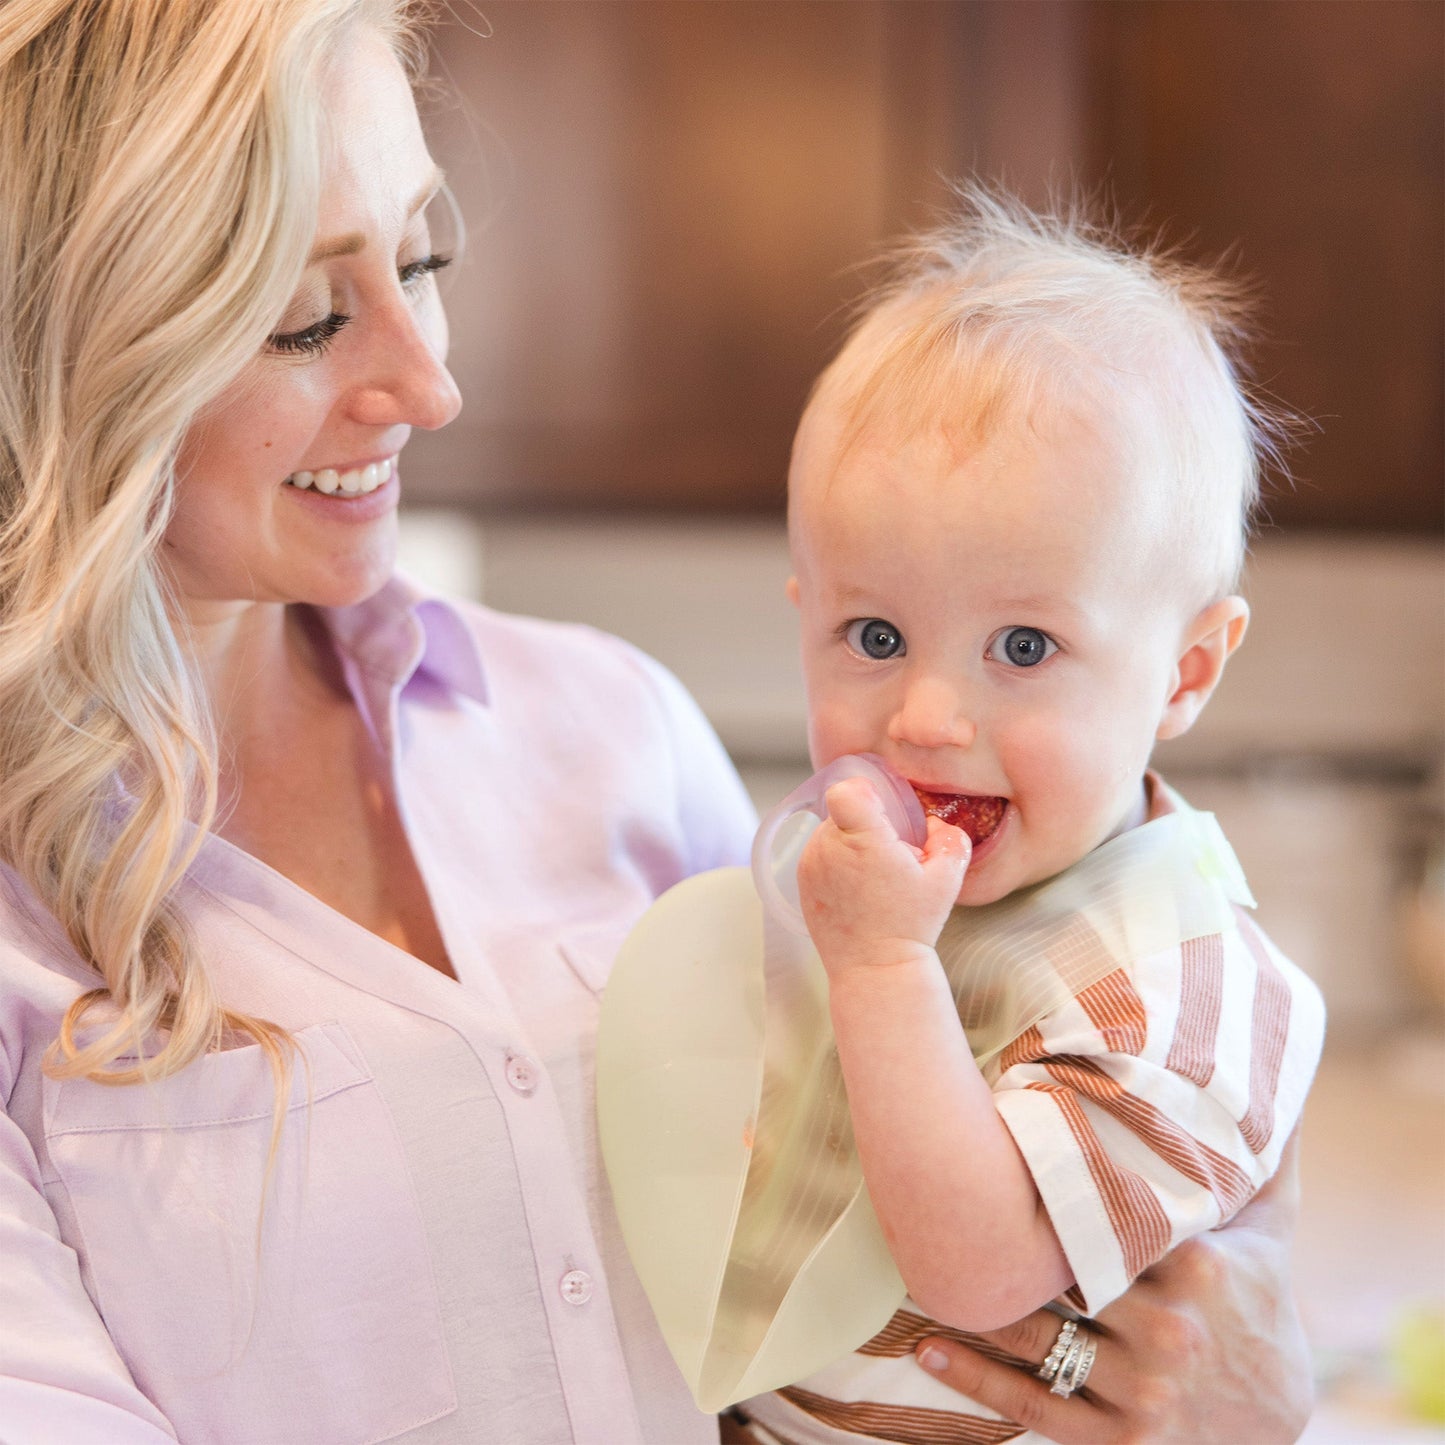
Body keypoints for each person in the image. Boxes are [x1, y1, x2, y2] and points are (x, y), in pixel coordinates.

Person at [0, 2, 1314, 1440]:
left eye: (422, 262)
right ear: (81, 343)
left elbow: (1057, 1200)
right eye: (308, 313)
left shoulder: (609, 724)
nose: (430, 385)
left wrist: (1236, 1349)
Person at [692, 194, 1322, 1443]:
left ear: (1185, 672)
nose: (926, 716)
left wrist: (877, 966)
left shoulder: (1177, 992)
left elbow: (978, 1268)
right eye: (873, 636)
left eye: (1021, 646)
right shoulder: (856, 882)